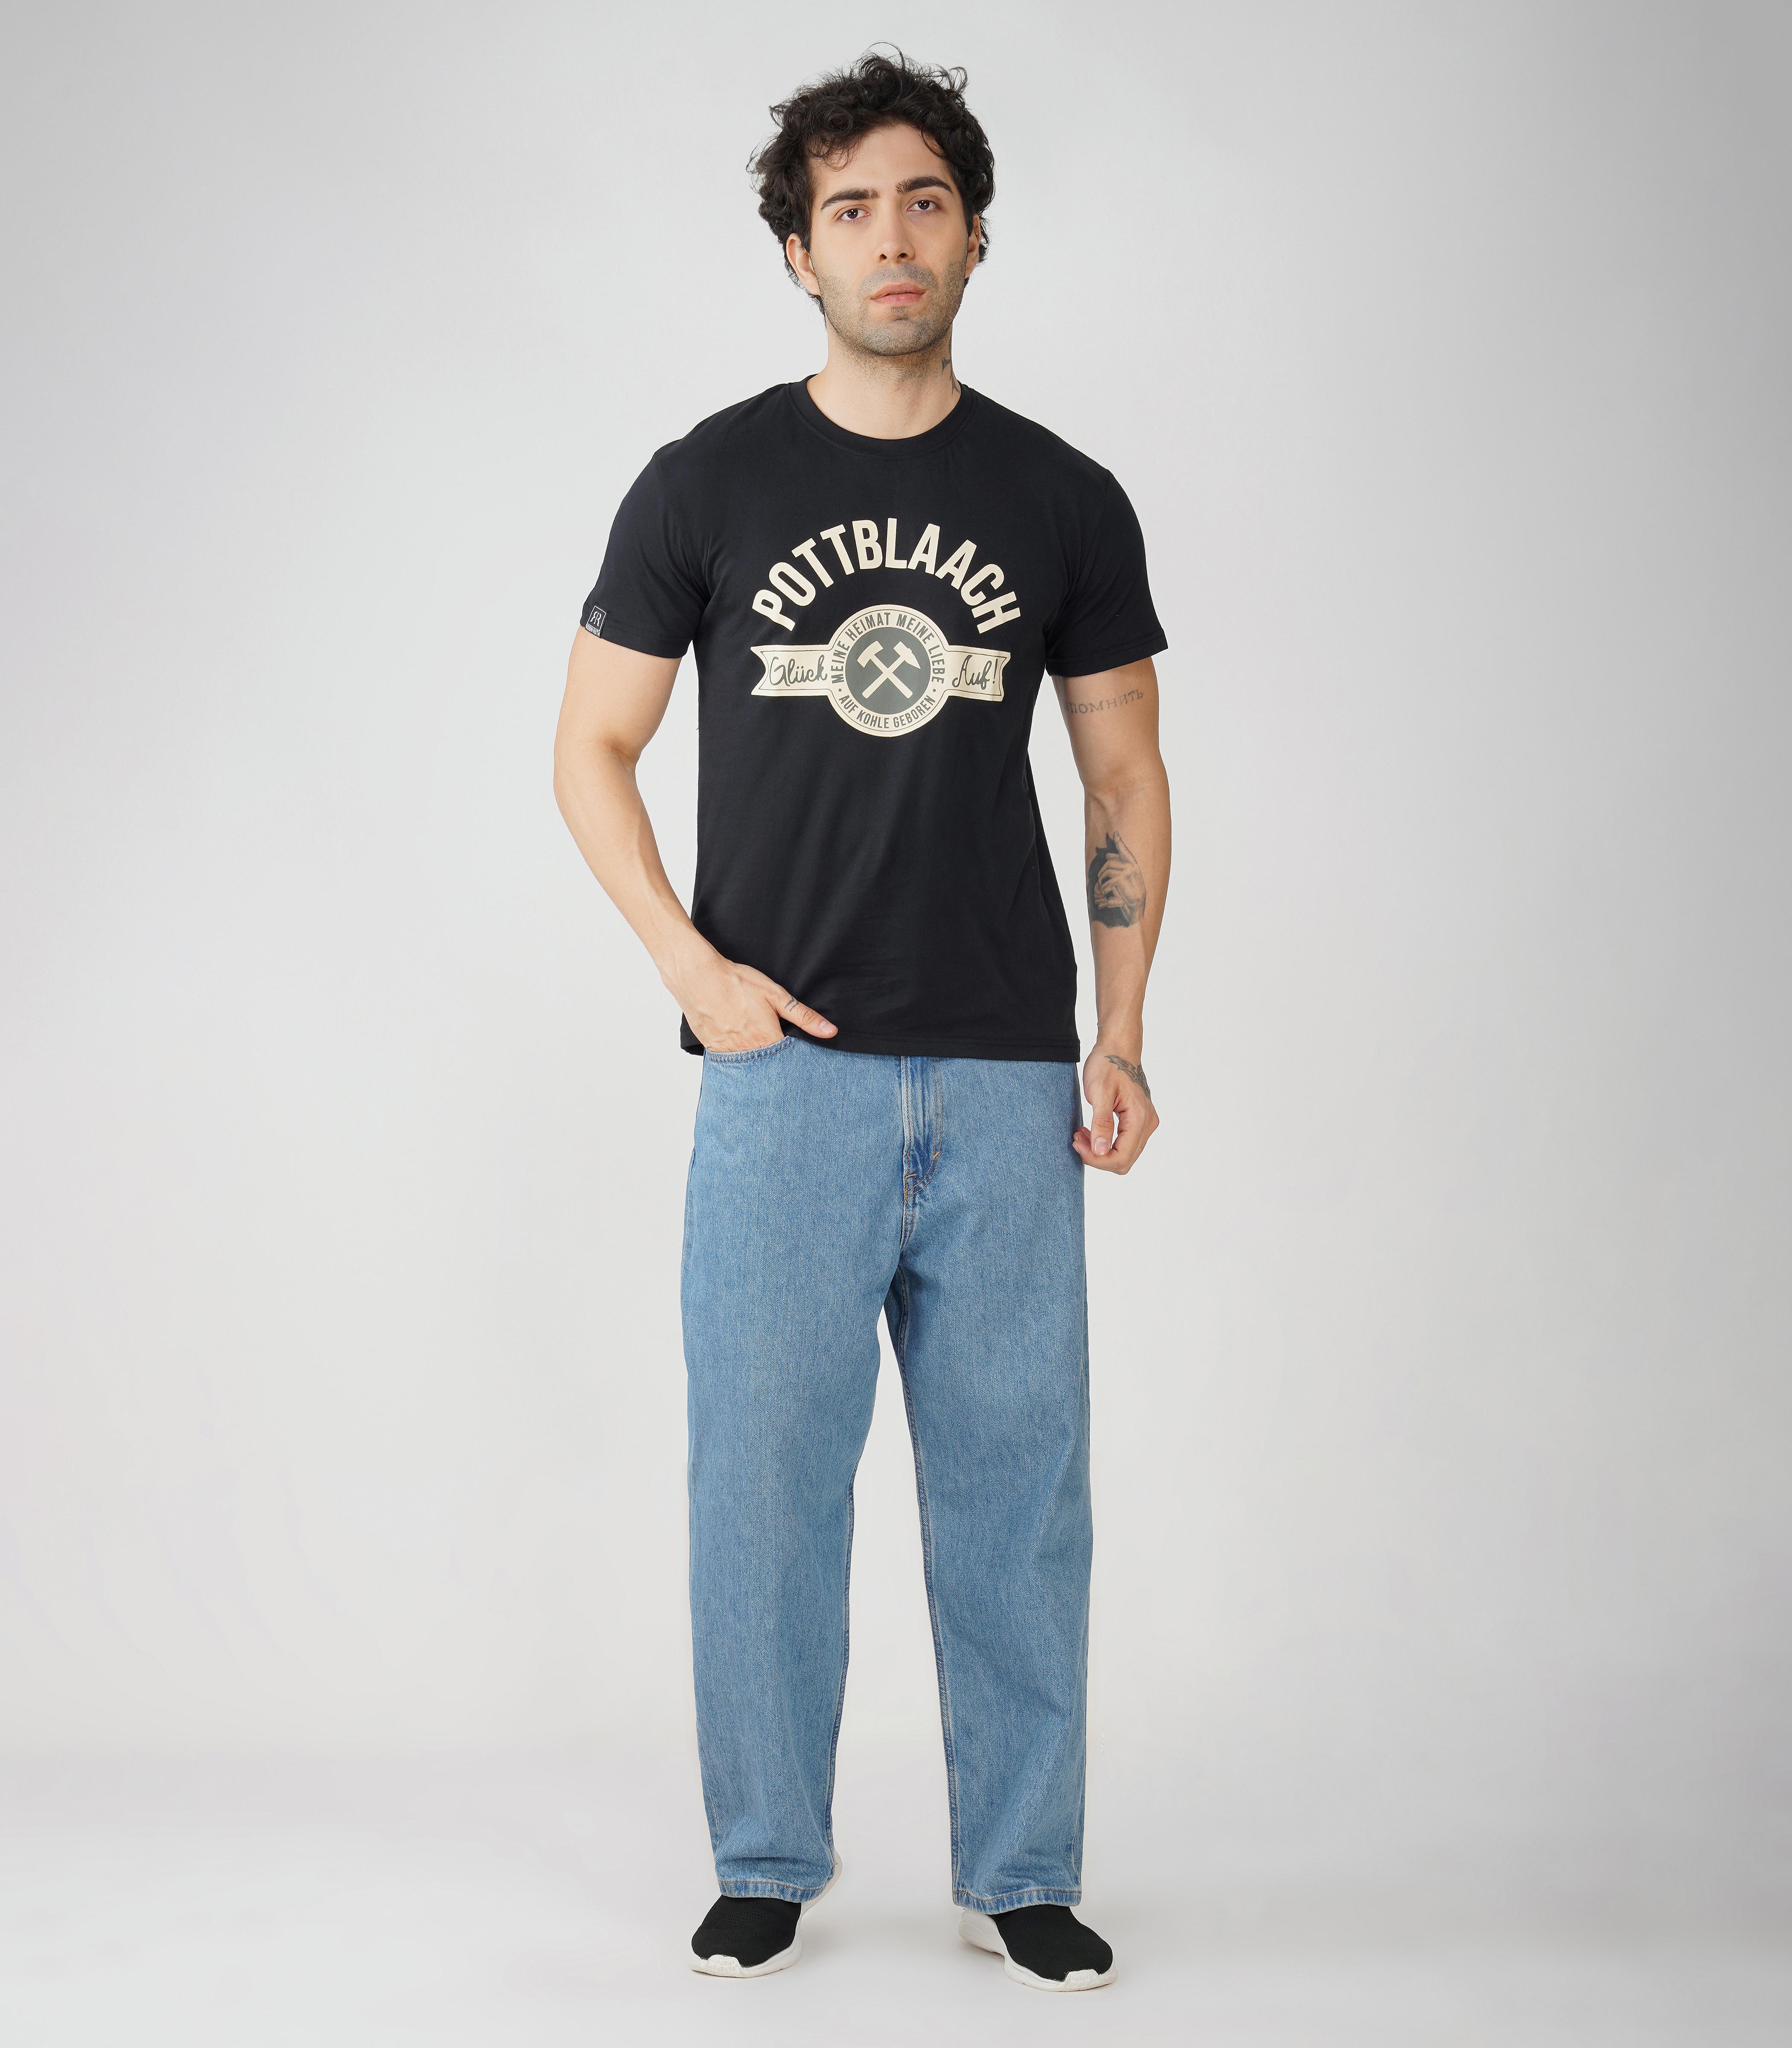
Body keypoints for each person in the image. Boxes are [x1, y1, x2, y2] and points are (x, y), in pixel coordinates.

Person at [552, 50, 1169, 1995]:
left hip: (1008, 1075)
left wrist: (1122, 1030)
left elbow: (1126, 777)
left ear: (973, 233)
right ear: (796, 252)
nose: (890, 239)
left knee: (1020, 1497)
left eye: (923, 201)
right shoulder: (707, 483)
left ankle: (1024, 1871)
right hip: (782, 1077)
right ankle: (765, 1858)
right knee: (760, 1489)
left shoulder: (1062, 496)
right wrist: (690, 969)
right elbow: (590, 747)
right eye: (848, 209)